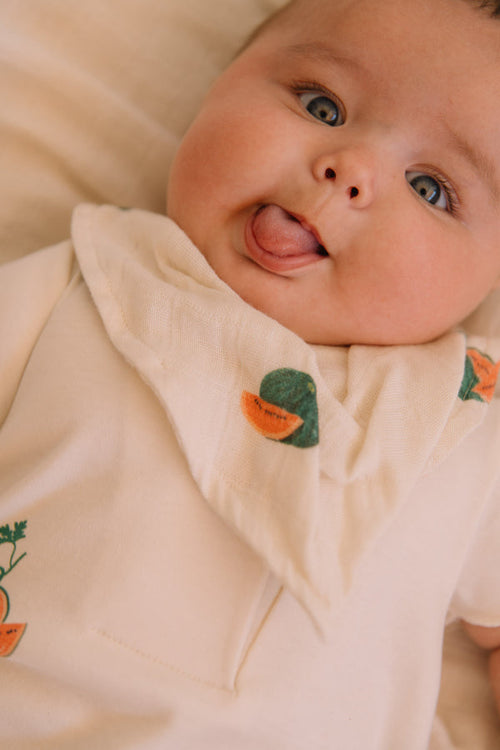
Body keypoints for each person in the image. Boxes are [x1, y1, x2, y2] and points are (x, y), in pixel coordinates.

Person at [0, 0, 500, 747]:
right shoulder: (83, 284)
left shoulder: (467, 423)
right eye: (322, 105)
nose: (350, 167)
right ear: (218, 87)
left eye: (430, 188)